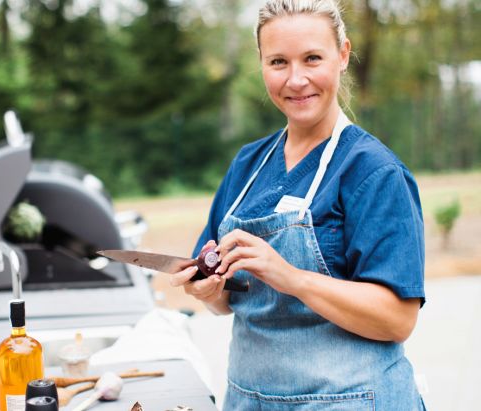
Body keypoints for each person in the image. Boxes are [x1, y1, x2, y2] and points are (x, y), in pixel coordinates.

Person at [170, 0, 426, 409]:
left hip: (351, 401)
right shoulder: (248, 165)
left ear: (342, 55)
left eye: (312, 58)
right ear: (261, 64)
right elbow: (225, 302)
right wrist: (208, 289)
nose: (296, 79)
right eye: (278, 62)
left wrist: (290, 276)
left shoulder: (373, 172)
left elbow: (397, 319)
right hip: (250, 399)